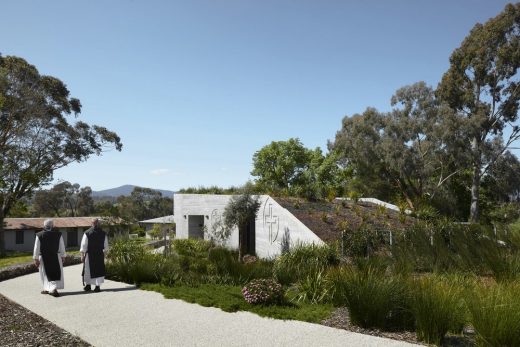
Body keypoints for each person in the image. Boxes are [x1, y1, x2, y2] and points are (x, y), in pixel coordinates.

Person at [33, 219, 66, 297]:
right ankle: (49, 289)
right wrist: (63, 256)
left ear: (44, 226)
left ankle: (51, 289)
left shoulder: (39, 235)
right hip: (56, 256)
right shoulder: (58, 234)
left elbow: (36, 247)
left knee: (45, 274)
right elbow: (62, 246)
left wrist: (36, 258)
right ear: (52, 225)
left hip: (43, 257)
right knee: (55, 272)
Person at [80, 218, 108, 292]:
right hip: (98, 254)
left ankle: (89, 286)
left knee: (89, 270)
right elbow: (106, 246)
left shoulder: (87, 232)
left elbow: (83, 245)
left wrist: (82, 255)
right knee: (97, 270)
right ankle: (95, 286)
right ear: (98, 224)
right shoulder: (103, 233)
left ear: (91, 223)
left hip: (90, 255)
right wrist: (105, 255)